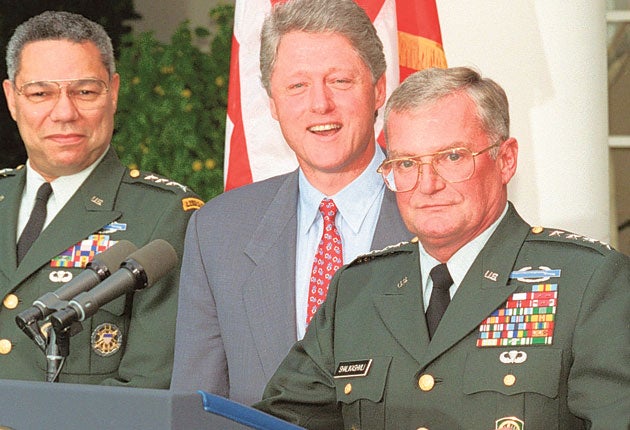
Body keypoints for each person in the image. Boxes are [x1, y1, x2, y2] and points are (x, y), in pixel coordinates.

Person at [254, 67, 630, 429]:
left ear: (506, 160)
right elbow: (276, 422)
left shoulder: (590, 282)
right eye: (406, 163)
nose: (427, 183)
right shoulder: (357, 290)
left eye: (452, 157)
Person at [171, 0, 411, 404]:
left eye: (339, 81)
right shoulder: (218, 231)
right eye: (297, 86)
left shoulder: (435, 210)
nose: (320, 104)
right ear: (272, 102)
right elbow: (197, 408)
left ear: (379, 89)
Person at [0, 11, 203, 387]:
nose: (64, 113)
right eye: (41, 93)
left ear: (113, 92)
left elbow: (146, 389)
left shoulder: (164, 217)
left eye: (85, 92)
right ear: (12, 99)